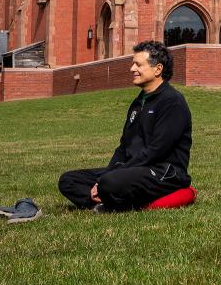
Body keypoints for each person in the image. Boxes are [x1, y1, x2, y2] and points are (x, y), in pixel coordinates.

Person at [56, 40, 193, 212]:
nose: (132, 69)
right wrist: (109, 172)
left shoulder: (172, 102)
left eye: (138, 64)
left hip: (163, 172)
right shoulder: (138, 103)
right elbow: (124, 147)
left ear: (158, 69)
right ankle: (103, 205)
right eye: (132, 64)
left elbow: (156, 151)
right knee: (69, 180)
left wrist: (111, 176)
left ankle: (111, 202)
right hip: (133, 169)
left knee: (109, 182)